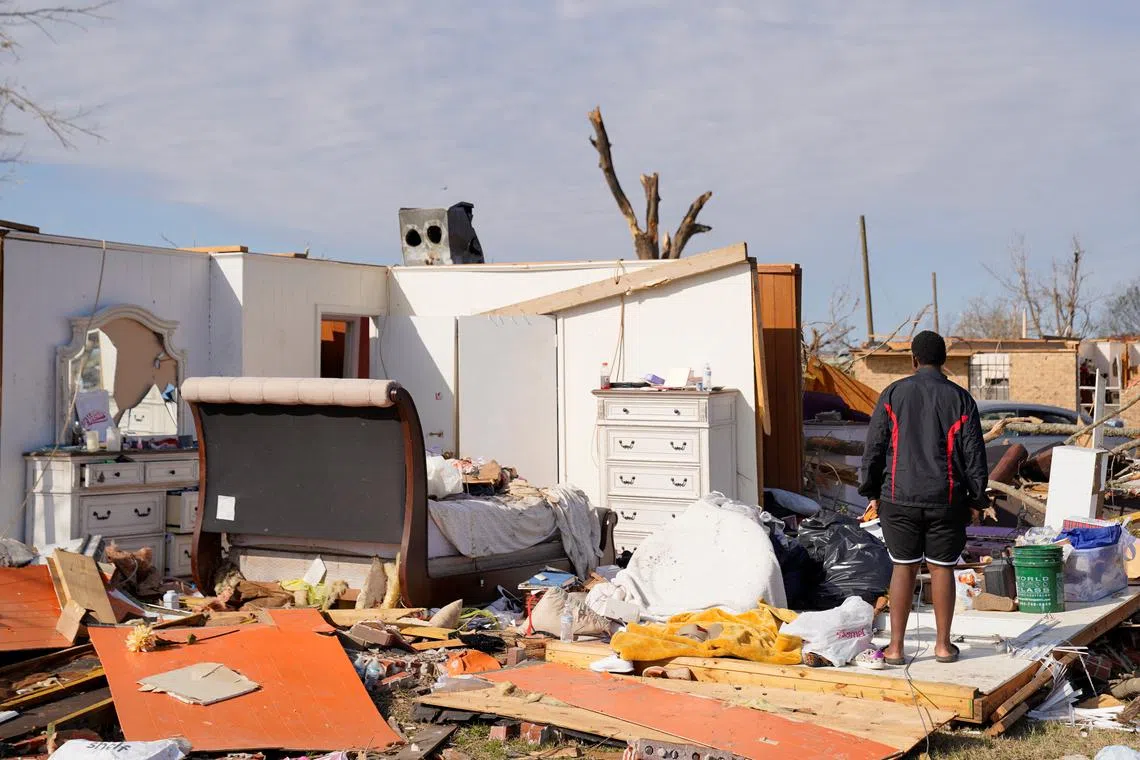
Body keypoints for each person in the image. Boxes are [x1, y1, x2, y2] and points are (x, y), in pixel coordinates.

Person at [859, 330, 988, 665]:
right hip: (946, 500)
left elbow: (873, 449)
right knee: (942, 568)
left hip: (898, 499)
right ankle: (943, 647)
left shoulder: (892, 395)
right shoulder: (961, 399)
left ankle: (896, 648)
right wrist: (977, 499)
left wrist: (872, 492)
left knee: (903, 567)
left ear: (913, 359)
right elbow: (974, 454)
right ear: (944, 361)